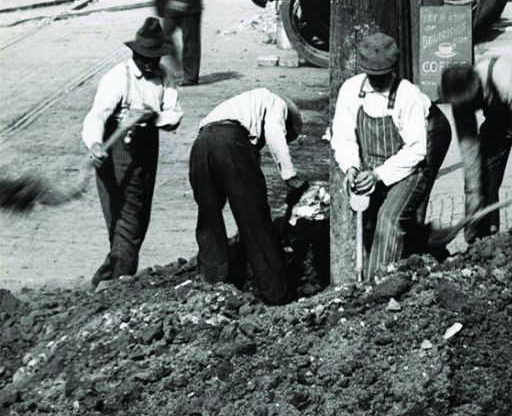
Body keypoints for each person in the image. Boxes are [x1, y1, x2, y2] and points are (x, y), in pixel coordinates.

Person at [330, 32, 452, 282]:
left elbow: (417, 150)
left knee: (390, 217)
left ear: (393, 70)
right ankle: (379, 272)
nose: (376, 82)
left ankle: (382, 287)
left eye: (382, 77)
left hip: (417, 150)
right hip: (375, 160)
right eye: (371, 76)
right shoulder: (351, 90)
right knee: (369, 219)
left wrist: (378, 175)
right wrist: (351, 167)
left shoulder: (407, 95)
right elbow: (343, 136)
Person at [82, 18, 183, 288]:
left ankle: (105, 280)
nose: (149, 64)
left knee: (136, 222)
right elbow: (96, 117)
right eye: (144, 58)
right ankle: (119, 283)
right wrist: (94, 144)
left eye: (154, 58)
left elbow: (174, 116)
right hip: (114, 150)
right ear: (134, 53)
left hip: (147, 148)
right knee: (124, 221)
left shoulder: (164, 77)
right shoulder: (117, 78)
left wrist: (153, 116)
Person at [188, 88, 309, 305]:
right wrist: (289, 175)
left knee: (208, 218)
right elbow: (273, 132)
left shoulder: (239, 106)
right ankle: (276, 294)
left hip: (200, 146)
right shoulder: (275, 103)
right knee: (255, 221)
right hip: (231, 144)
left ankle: (212, 287)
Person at [439, 55, 512, 243]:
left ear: (478, 90)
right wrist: (474, 194)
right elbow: (469, 152)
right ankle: (482, 240)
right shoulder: (460, 98)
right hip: (499, 115)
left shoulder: (502, 80)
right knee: (485, 176)